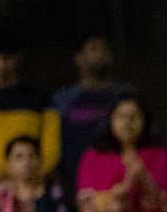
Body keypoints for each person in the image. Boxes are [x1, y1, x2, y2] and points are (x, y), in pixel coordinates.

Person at [52, 36, 130, 188]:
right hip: (72, 181)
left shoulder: (125, 96)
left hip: (118, 182)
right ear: (78, 58)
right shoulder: (62, 99)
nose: (100, 54)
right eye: (93, 49)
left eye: (104, 49)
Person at [0, 32, 59, 183]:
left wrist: (27, 179)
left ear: (17, 59)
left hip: (28, 188)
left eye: (7, 58)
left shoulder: (39, 100)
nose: (1, 66)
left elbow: (51, 152)